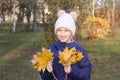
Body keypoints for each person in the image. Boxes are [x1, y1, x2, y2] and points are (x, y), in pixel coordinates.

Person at [40, 10, 92, 80]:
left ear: (71, 32)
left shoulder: (79, 51)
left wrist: (72, 71)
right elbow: (44, 76)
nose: (62, 34)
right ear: (56, 31)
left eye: (66, 30)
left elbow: (86, 76)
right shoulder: (50, 50)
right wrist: (48, 71)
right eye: (59, 30)